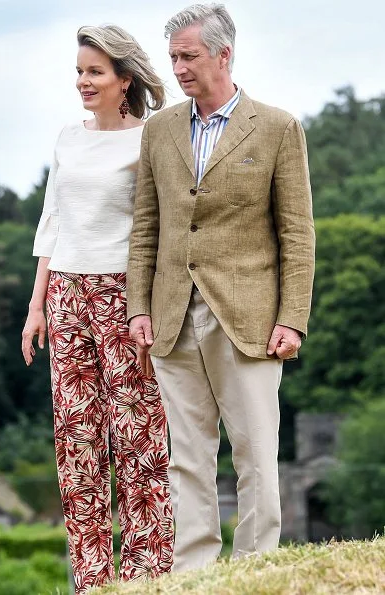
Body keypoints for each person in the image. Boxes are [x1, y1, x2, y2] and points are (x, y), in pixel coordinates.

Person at [127, 3, 315, 571]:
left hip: (250, 317)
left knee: (256, 452)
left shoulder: (278, 127)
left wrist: (293, 317)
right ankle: (195, 572)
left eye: (188, 56)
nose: (178, 68)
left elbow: (297, 234)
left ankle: (256, 567)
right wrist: (139, 308)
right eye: (173, 58)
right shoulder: (159, 130)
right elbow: (146, 227)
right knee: (186, 455)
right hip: (171, 315)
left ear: (223, 54)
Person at [21, 24, 173, 594]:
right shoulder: (66, 137)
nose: (83, 82)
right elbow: (51, 223)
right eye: (79, 71)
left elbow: (156, 230)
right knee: (76, 436)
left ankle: (149, 572)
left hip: (124, 296)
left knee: (136, 433)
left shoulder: (150, 140)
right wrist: (36, 306)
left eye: (95, 72)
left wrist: (150, 307)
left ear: (124, 79)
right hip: (64, 295)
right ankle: (91, 579)